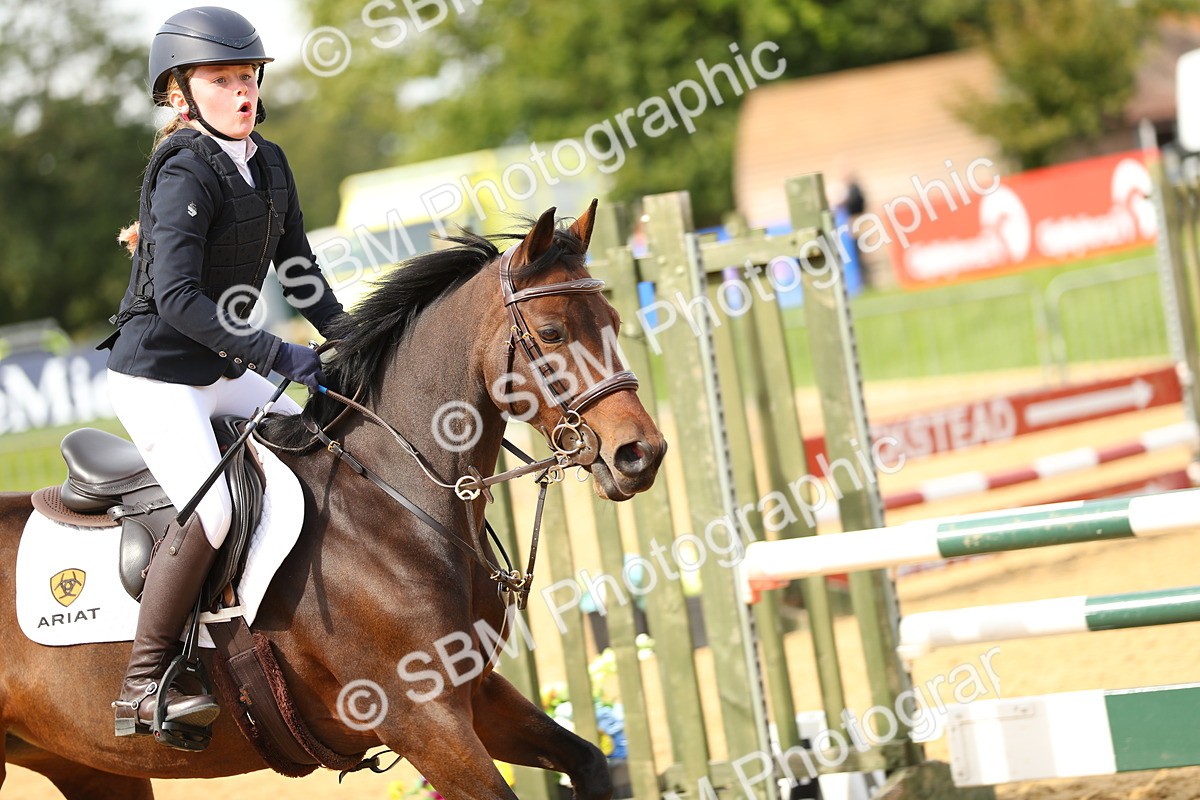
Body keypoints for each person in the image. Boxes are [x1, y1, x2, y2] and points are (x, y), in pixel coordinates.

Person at [99, 7, 346, 745]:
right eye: (222, 79)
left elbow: (299, 272)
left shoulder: (268, 161)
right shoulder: (183, 167)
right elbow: (175, 301)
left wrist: (353, 343)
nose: (242, 91)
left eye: (248, 76)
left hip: (222, 366)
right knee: (212, 512)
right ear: (181, 93)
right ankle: (143, 682)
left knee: (319, 445)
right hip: (158, 376)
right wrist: (279, 355)